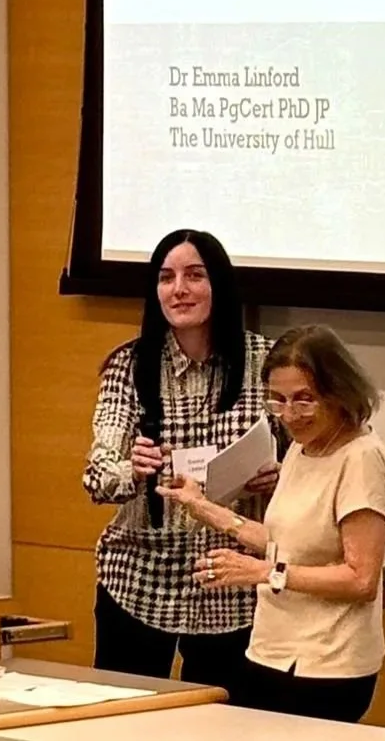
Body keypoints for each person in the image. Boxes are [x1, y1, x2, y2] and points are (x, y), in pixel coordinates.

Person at [160, 324, 385, 724]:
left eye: (304, 400)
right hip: (271, 651)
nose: (289, 415)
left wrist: (265, 573)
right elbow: (286, 540)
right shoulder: (303, 449)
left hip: (327, 665)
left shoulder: (361, 458)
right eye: (278, 400)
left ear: (339, 392)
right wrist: (202, 507)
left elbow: (360, 579)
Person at [82, 228, 281, 695]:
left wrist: (280, 477)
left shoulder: (264, 361)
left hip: (232, 582)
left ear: (219, 285)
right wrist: (132, 470)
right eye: (166, 277)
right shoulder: (129, 365)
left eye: (194, 276)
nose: (179, 290)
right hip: (139, 578)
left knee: (225, 722)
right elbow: (96, 475)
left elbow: (311, 459)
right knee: (124, 718)